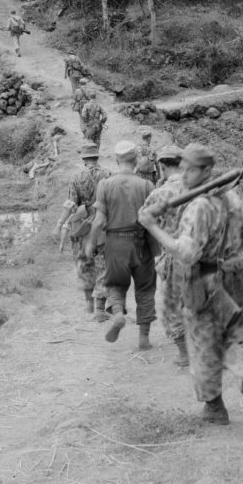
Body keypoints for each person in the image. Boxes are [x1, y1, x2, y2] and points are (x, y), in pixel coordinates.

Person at [138, 142, 243, 429]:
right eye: (183, 169)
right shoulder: (230, 197)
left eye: (190, 170)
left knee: (203, 344)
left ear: (206, 171)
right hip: (236, 275)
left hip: (205, 281)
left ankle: (214, 408)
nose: (185, 175)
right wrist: (230, 252)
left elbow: (186, 253)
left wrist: (151, 226)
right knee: (234, 337)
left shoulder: (198, 206)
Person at [85, 139, 156, 348]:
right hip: (141, 242)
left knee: (115, 284)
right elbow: (154, 219)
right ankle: (144, 338)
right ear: (135, 161)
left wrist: (90, 243)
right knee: (145, 288)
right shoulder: (147, 185)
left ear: (117, 160)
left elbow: (99, 220)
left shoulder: (105, 185)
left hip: (115, 242)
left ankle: (117, 314)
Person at [139, 144, 189, 366]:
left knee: (172, 306)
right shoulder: (203, 188)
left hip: (175, 257)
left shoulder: (159, 193)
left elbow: (144, 218)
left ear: (161, 165)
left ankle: (184, 353)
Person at [56, 143, 107, 317]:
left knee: (84, 263)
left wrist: (60, 224)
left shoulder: (76, 177)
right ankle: (100, 307)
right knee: (102, 266)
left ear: (84, 159)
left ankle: (88, 304)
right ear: (97, 157)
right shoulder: (108, 175)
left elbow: (71, 205)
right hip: (103, 225)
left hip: (82, 227)